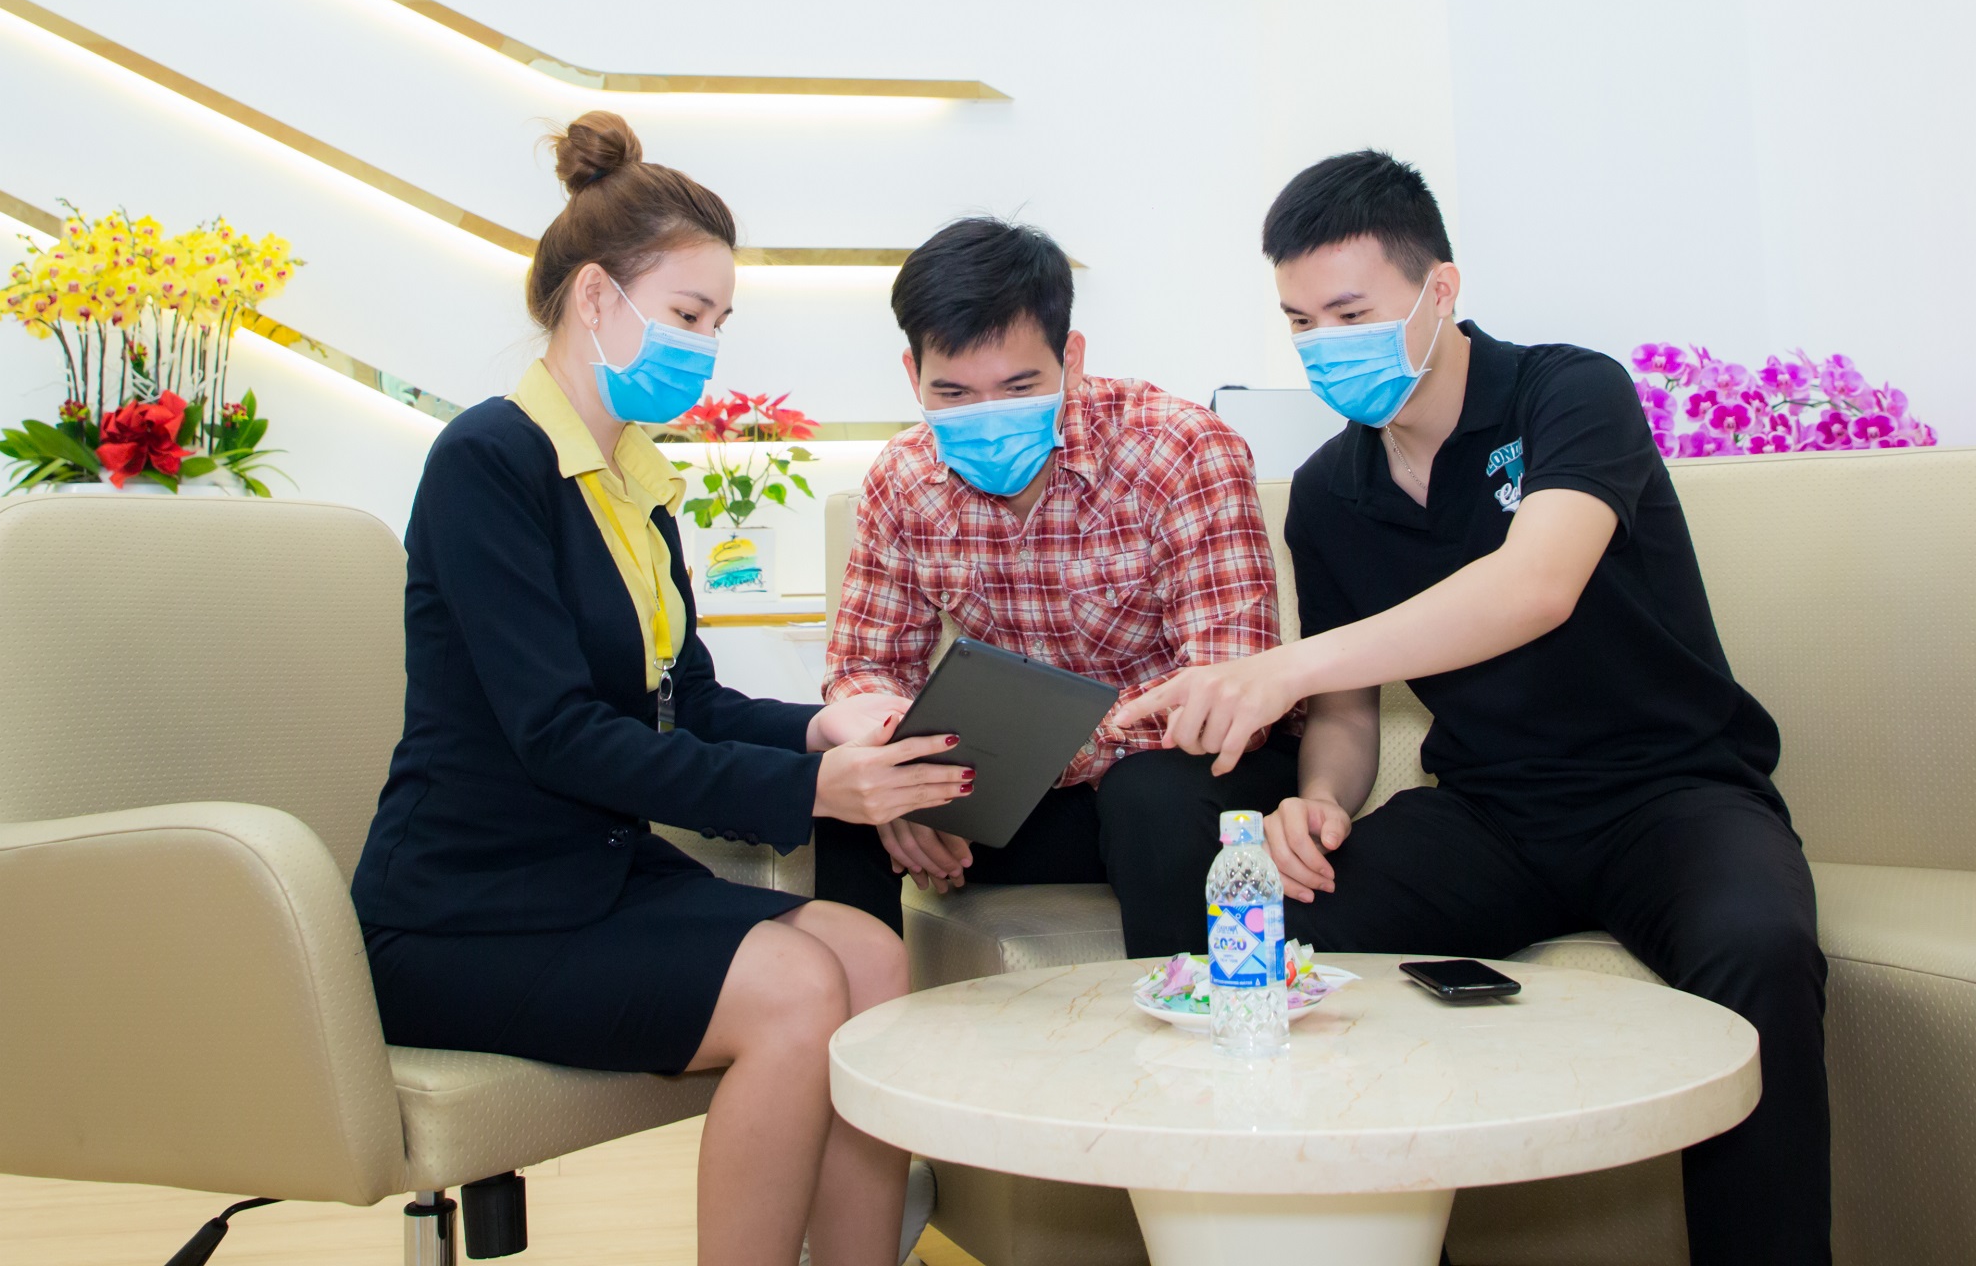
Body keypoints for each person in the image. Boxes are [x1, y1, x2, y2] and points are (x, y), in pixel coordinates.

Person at [1116, 151, 1831, 1266]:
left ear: (1439, 290)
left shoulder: (1568, 392)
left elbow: (1536, 585)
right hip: (1491, 811)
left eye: (1351, 313)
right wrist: (1319, 799)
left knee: (1761, 947)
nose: (1323, 346)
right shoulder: (1330, 492)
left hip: (1672, 792)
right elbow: (1350, 715)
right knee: (1276, 948)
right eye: (1300, 323)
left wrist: (1279, 669)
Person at [350, 112, 968, 1266]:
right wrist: (818, 790)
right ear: (596, 297)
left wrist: (824, 726)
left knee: (876, 960)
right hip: (466, 908)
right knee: (795, 988)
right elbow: (559, 735)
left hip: (595, 875)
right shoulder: (489, 461)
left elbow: (692, 705)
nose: (706, 346)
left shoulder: (634, 480)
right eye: (688, 314)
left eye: (718, 322)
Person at [817, 215, 1293, 958]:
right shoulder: (903, 478)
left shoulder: (1179, 448)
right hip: (1020, 790)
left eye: (1017, 388)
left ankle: (1189, 1020)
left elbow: (1229, 689)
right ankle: (866, 1023)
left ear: (1070, 357)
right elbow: (863, 668)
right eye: (953, 393)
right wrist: (896, 773)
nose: (987, 420)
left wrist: (1037, 755)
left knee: (1149, 798)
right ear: (913, 375)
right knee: (838, 798)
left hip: (1182, 772)